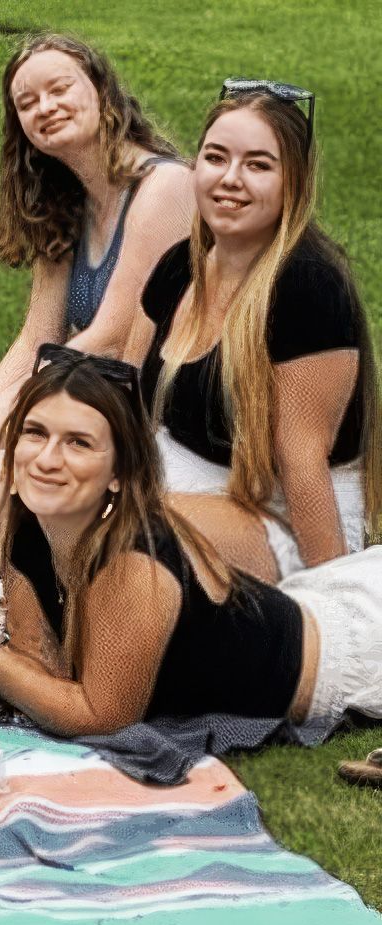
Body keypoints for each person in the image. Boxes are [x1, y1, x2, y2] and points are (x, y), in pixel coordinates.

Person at [0, 344, 382, 737]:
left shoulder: (135, 560)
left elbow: (101, 716)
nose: (47, 459)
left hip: (355, 656)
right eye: (35, 433)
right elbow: (44, 667)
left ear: (118, 473)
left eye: (78, 443)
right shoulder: (31, 524)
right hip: (320, 603)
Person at [0, 32, 194, 488]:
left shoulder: (163, 187)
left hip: (146, 404)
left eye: (60, 89)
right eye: (27, 102)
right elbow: (39, 335)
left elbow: (114, 338)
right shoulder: (67, 205)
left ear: (101, 92)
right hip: (84, 391)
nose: (45, 107)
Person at [129, 81, 380, 581]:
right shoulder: (181, 266)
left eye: (258, 165)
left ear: (294, 182)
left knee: (120, 530)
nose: (230, 179)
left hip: (279, 517)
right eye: (216, 158)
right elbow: (126, 397)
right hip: (176, 483)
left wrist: (335, 600)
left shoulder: (307, 286)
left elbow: (302, 464)